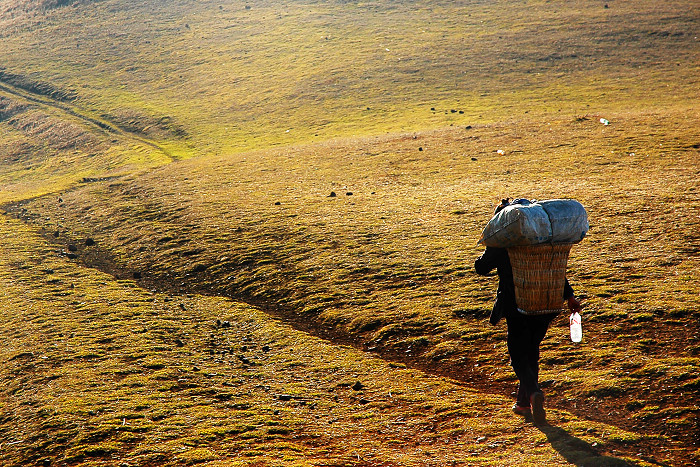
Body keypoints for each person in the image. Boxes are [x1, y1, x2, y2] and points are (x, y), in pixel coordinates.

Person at [474, 198, 582, 425]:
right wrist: (570, 296)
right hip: (547, 302)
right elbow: (554, 272)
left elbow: (481, 268)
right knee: (531, 349)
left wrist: (487, 250)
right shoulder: (542, 241)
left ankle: (533, 392)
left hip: (518, 304)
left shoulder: (502, 243)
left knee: (517, 353)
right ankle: (524, 403)